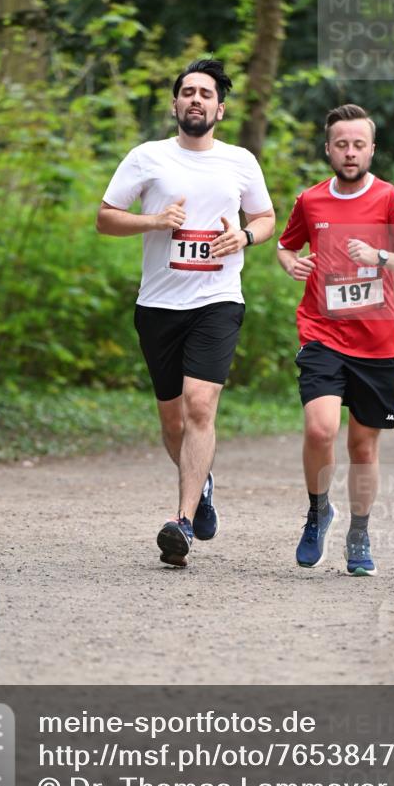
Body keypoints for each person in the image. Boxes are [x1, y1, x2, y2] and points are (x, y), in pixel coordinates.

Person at [97, 59, 275, 567]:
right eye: (188, 92)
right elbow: (105, 218)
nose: (196, 99)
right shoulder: (146, 157)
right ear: (175, 104)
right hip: (157, 305)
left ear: (221, 107)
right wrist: (154, 220)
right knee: (173, 421)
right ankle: (204, 483)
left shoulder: (240, 161)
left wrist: (243, 235)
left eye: (206, 93)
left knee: (200, 406)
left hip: (217, 301)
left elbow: (265, 218)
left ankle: (181, 521)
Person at [277, 103, 394, 576]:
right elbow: (286, 246)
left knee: (363, 448)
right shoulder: (310, 200)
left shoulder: (389, 199)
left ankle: (359, 533)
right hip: (322, 332)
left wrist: (380, 254)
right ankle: (318, 510)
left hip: (378, 342)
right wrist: (291, 264)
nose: (349, 153)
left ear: (371, 149)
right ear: (328, 149)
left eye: (358, 145)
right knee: (320, 429)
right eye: (341, 144)